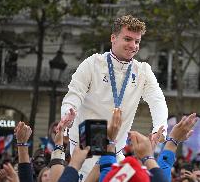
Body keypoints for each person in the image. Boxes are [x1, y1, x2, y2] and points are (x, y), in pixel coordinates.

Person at [60, 15, 168, 177]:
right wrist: (68, 113)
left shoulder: (143, 71)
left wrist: (159, 128)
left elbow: (157, 100)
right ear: (113, 38)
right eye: (128, 39)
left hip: (116, 147)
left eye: (137, 41)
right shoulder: (93, 63)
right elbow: (75, 93)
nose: (133, 46)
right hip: (87, 145)